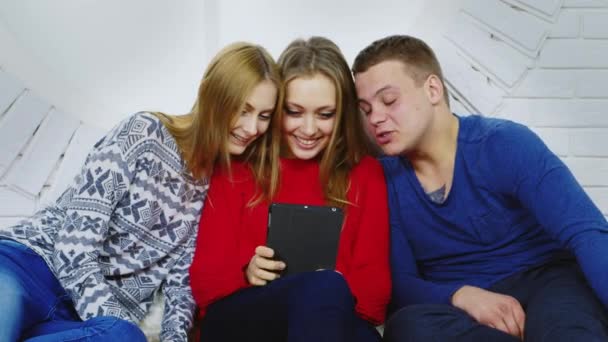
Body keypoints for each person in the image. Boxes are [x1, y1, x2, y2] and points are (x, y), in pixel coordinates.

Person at [0, 41, 280, 342]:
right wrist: (112, 318)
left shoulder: (218, 188)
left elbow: (180, 286)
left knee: (123, 335)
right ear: (212, 96)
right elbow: (73, 248)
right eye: (243, 110)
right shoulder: (144, 133)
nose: (252, 128)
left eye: (264, 116)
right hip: (30, 267)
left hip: (83, 323)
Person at [352, 34, 608, 341]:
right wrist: (460, 295)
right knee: (408, 326)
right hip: (461, 308)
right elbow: (402, 282)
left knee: (568, 324)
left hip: (547, 282)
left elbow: (587, 233)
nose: (376, 118)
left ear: (433, 89)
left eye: (389, 100)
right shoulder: (382, 178)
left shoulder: (503, 143)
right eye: (366, 109)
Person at [189, 36, 391, 342]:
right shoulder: (238, 167)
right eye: (294, 112)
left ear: (342, 114)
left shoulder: (365, 174)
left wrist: (323, 296)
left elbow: (375, 297)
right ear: (275, 108)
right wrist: (247, 273)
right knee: (324, 288)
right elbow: (205, 284)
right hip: (243, 319)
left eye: (325, 114)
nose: (308, 130)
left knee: (340, 308)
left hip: (332, 319)